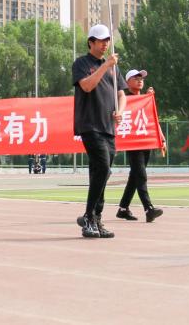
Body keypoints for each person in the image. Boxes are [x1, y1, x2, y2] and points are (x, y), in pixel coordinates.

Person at [73, 24, 128, 239]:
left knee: (101, 172)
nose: (105, 44)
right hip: (90, 125)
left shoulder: (114, 68)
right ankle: (89, 216)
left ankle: (95, 218)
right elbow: (87, 86)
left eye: (107, 40)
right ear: (91, 42)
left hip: (108, 127)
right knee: (103, 168)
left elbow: (121, 94)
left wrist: (120, 111)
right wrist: (105, 65)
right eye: (101, 40)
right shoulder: (82, 63)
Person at [115, 69, 165, 223]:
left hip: (146, 141)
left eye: (141, 78)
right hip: (133, 143)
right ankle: (149, 209)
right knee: (141, 175)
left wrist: (161, 138)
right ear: (127, 82)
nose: (140, 80)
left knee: (135, 176)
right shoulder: (124, 99)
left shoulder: (145, 99)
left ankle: (123, 209)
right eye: (136, 78)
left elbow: (153, 120)